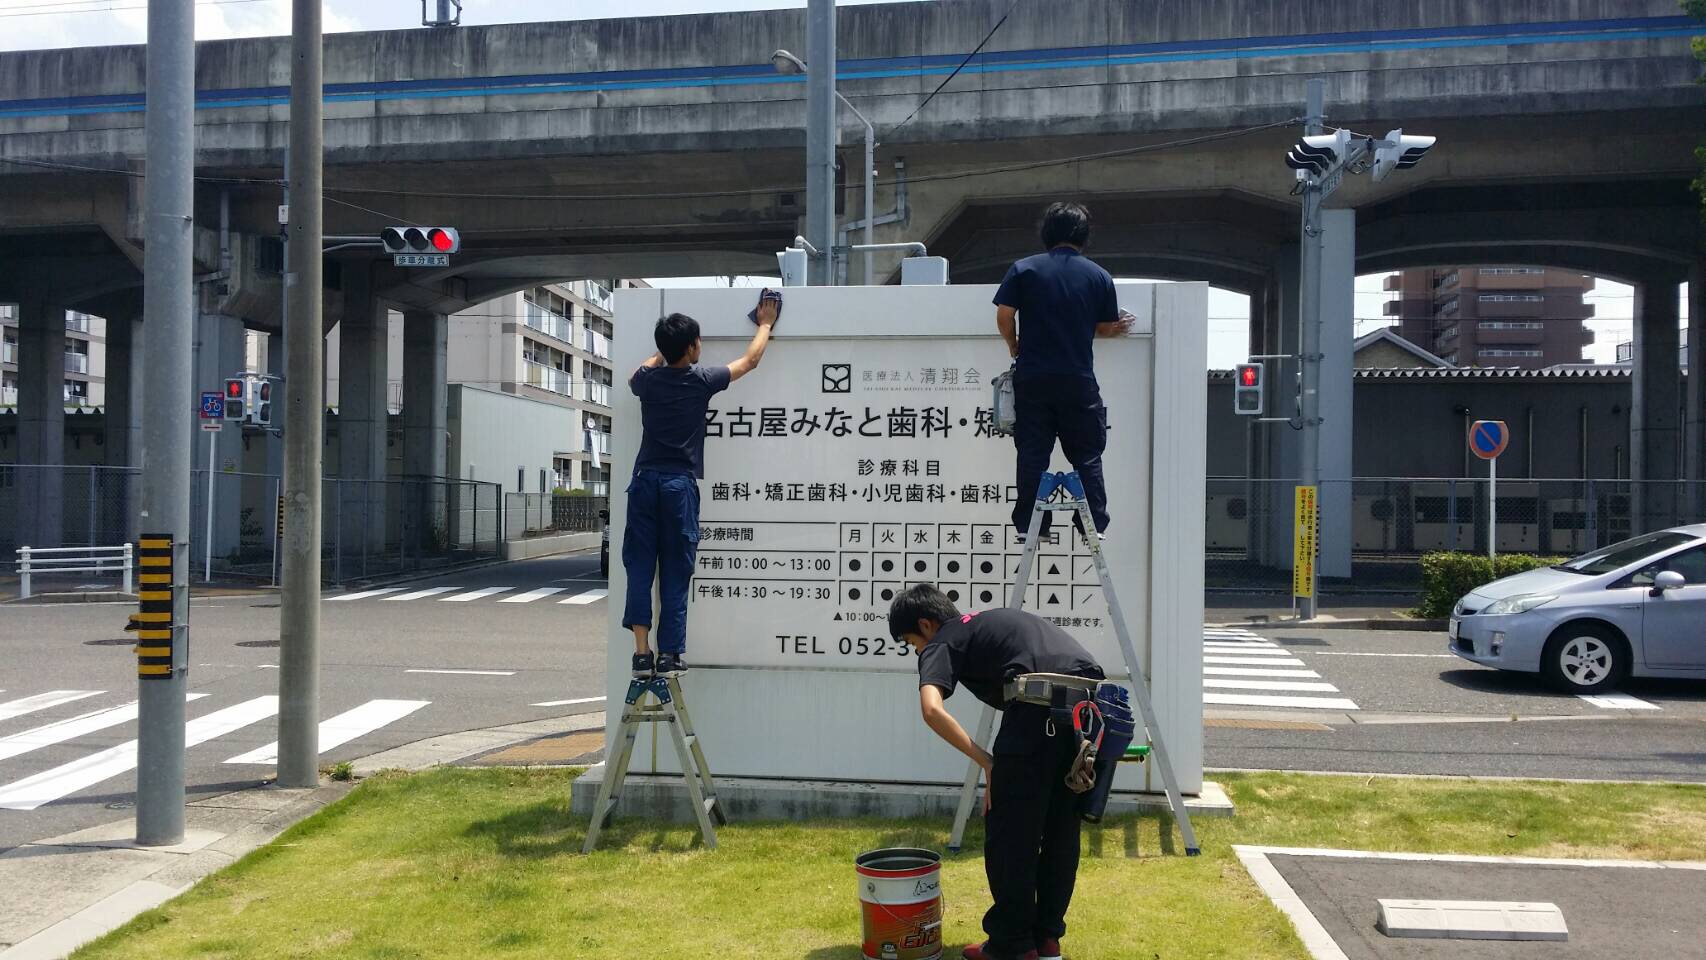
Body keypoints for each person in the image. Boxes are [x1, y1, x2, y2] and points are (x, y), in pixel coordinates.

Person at [890, 584, 1105, 960]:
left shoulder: (943, 639)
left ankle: (1013, 945)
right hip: (1085, 717)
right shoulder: (993, 621)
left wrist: (988, 762)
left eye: (912, 643)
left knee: (1011, 837)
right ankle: (1047, 938)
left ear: (926, 625)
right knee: (1060, 831)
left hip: (1033, 717)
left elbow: (931, 710)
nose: (919, 651)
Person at [623, 293, 778, 677]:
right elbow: (751, 360)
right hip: (678, 486)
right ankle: (669, 654)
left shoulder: (647, 381)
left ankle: (642, 654)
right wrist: (765, 324)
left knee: (641, 569)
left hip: (643, 483)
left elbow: (637, 372)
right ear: (692, 347)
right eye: (698, 343)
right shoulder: (700, 380)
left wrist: (660, 354)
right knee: (676, 570)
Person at [993, 202, 1132, 542]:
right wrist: (1111, 331)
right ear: (1084, 237)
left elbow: (1005, 314)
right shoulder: (1099, 276)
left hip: (1034, 378)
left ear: (1047, 234)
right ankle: (1091, 525)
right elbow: (1101, 324)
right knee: (1087, 454)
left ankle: (1030, 526)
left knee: (1032, 454)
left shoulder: (1024, 269)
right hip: (1077, 380)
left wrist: (1013, 344)